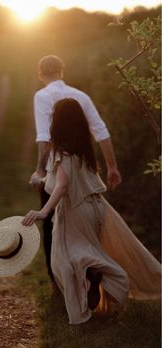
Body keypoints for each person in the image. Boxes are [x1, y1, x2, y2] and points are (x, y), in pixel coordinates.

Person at [23, 98, 161, 325]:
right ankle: (92, 278)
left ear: (58, 122)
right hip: (96, 208)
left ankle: (85, 292)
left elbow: (63, 184)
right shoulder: (83, 148)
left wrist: (44, 211)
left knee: (63, 261)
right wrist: (42, 179)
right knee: (88, 250)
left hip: (74, 210)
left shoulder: (61, 150)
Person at [30, 54, 121, 284]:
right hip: (84, 173)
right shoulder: (81, 96)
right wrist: (112, 168)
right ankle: (90, 271)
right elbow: (102, 132)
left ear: (41, 76)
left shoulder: (42, 96)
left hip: (56, 171)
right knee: (85, 225)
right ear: (62, 71)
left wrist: (40, 170)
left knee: (53, 225)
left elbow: (44, 138)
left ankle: (59, 282)